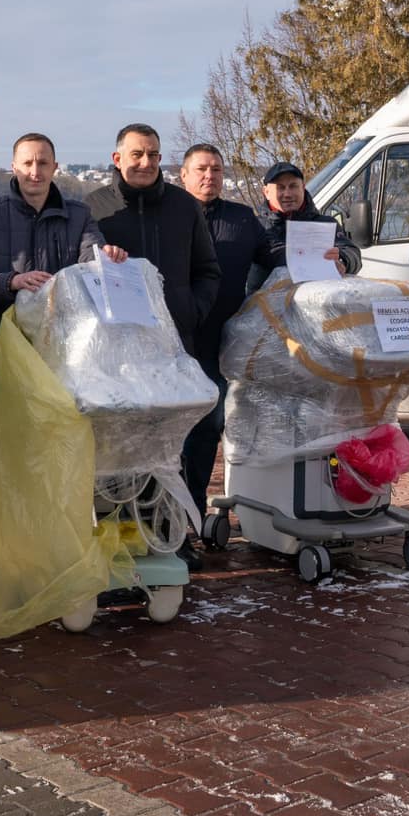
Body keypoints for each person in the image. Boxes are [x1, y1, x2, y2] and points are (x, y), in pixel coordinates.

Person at [0, 132, 121, 369]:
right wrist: (11, 282)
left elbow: (92, 262)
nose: (35, 172)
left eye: (43, 163)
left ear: (55, 167)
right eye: (27, 163)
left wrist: (108, 259)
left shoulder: (79, 215)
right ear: (14, 167)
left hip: (66, 354)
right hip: (5, 354)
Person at [177, 143, 264, 531]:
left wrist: (336, 255)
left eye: (215, 169)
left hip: (218, 343)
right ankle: (165, 514)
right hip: (172, 340)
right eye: (201, 169)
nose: (208, 176)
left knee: (209, 425)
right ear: (183, 174)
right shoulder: (169, 214)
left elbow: (275, 252)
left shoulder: (241, 219)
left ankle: (191, 513)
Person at [85, 123, 220, 354]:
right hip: (115, 345)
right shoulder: (94, 206)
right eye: (137, 154)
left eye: (153, 155)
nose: (146, 163)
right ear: (117, 159)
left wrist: (191, 312)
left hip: (176, 341)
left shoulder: (185, 205)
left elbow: (207, 269)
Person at [246, 161, 362, 292]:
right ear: (266, 192)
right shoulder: (253, 227)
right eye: (281, 187)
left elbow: (353, 253)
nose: (288, 194)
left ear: (303, 187)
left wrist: (342, 260)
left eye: (293, 186)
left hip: (317, 305)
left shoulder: (326, 224)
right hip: (264, 308)